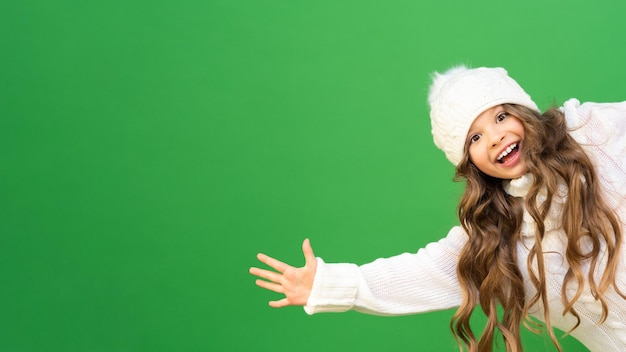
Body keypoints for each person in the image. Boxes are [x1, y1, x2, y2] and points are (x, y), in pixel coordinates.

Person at [248, 66, 626, 352]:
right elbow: (419, 273)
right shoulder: (491, 240)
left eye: (500, 117)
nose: (496, 138)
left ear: (523, 113)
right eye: (475, 137)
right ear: (469, 161)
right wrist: (326, 284)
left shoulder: (595, 134)